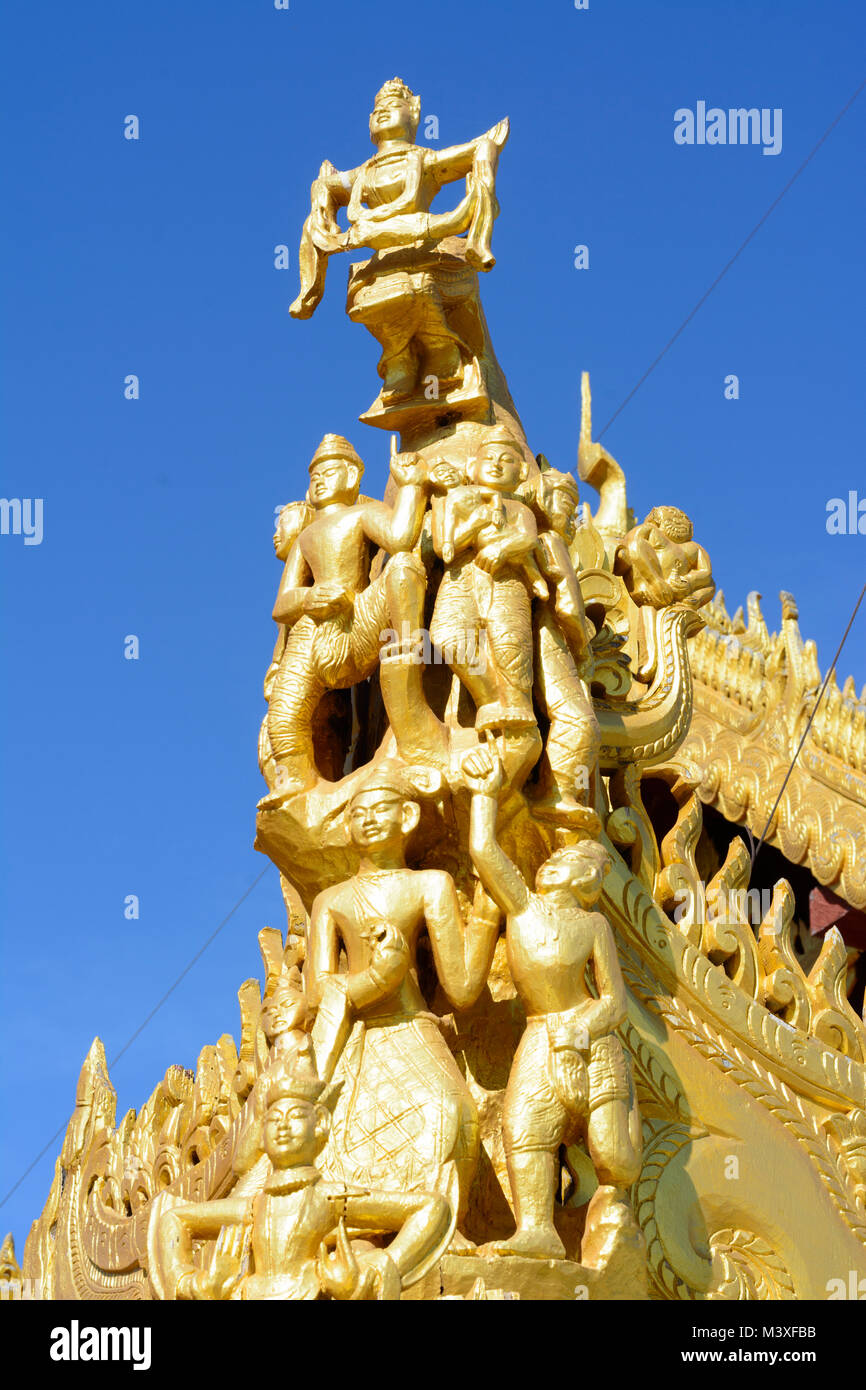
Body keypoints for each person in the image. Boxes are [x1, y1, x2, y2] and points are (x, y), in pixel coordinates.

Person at [304, 762, 500, 1242]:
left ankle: (437, 1231)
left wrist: (487, 919)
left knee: (450, 1111)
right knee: (333, 1134)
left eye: (380, 808)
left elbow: (462, 988)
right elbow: (317, 994)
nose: (367, 819)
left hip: (413, 1026)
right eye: (357, 813)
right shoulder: (331, 900)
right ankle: (349, 1232)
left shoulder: (428, 885)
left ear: (408, 815)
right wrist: (374, 979)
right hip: (356, 1037)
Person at [462, 744, 641, 1260]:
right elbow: (482, 850)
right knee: (524, 1127)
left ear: (586, 880)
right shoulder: (522, 908)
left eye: (564, 862)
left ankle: (614, 1216)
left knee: (613, 1154)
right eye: (556, 859)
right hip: (541, 1034)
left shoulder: (592, 926)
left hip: (590, 1040)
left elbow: (614, 1002)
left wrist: (579, 1034)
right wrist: (485, 793)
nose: (552, 865)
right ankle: (536, 1228)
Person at [152, 1058, 451, 1300]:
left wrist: (370, 1274)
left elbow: (431, 1208)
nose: (282, 1126)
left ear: (320, 1123)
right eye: (272, 1119)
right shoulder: (254, 1208)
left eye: (294, 1116)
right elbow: (173, 1220)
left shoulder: (330, 1197)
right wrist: (194, 1284)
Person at [265, 433, 433, 795]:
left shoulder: (362, 514)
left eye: (330, 471)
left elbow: (401, 538)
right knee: (283, 716)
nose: (320, 480)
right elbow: (282, 605)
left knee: (403, 566)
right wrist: (310, 598)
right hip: (315, 630)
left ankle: (409, 667)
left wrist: (411, 486)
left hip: (359, 622)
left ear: (352, 476)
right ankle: (296, 789)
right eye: (315, 475)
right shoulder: (306, 537)